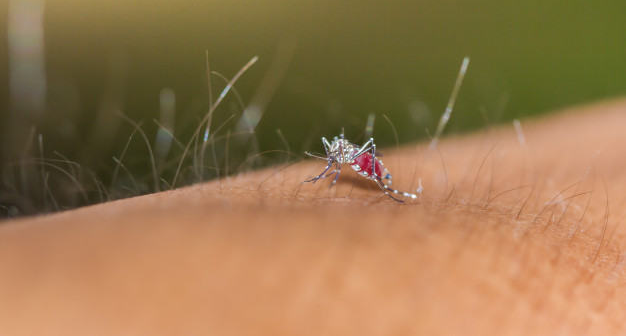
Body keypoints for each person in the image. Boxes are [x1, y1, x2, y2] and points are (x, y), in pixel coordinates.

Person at [0, 100, 624, 334]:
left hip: (378, 180)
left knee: (359, 168)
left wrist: (379, 188)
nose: (333, 161)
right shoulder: (341, 162)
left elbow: (347, 167)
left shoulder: (353, 164)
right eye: (335, 160)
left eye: (336, 160)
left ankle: (393, 194)